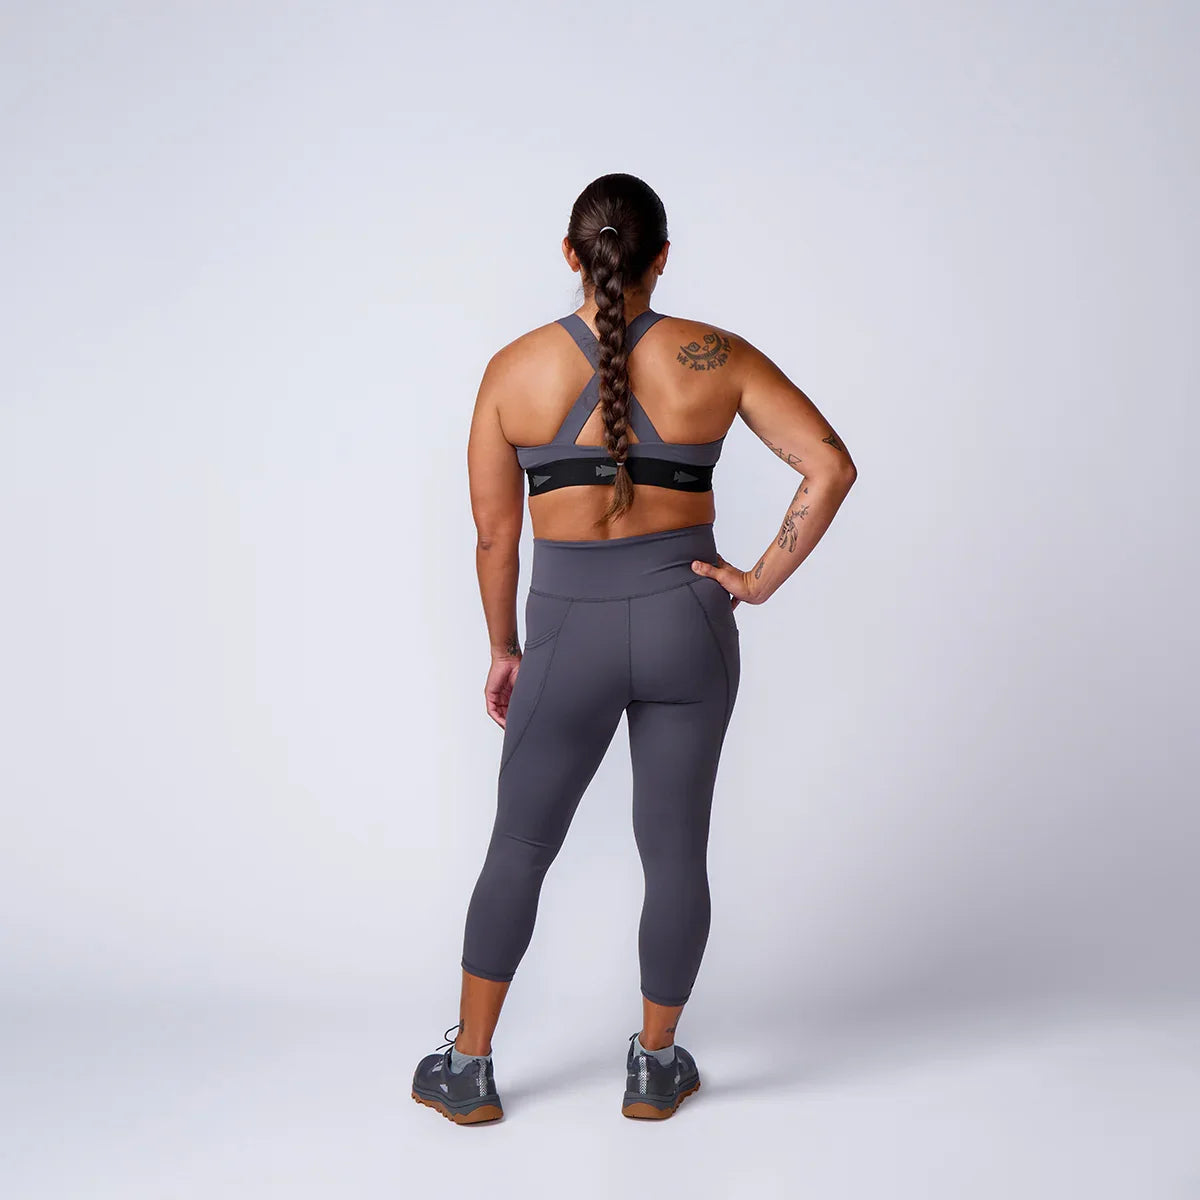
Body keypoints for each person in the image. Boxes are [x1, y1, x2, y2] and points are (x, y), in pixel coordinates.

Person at [410, 172, 858, 1124]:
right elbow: (830, 464)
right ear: (662, 257)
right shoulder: (718, 357)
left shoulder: (513, 369)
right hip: (685, 624)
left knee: (520, 848)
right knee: (675, 852)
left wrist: (504, 647)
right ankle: (655, 1067)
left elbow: (496, 536)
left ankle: (470, 1070)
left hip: (566, 630)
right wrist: (757, 580)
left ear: (572, 255)